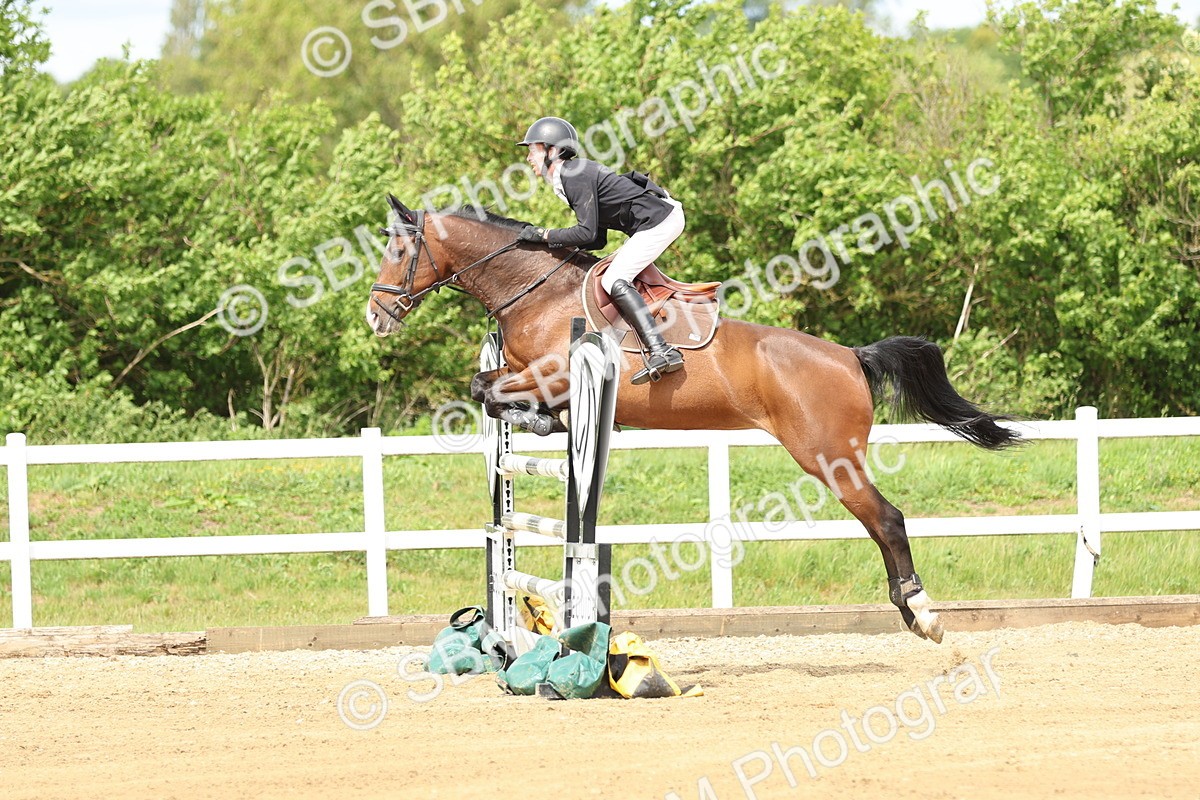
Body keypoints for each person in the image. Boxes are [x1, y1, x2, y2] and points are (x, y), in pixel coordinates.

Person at [516, 116, 685, 385]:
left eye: (532, 150)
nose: (528, 158)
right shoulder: (570, 175)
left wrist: (544, 235)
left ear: (552, 150)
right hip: (654, 221)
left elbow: (586, 233)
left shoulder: (574, 175)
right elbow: (597, 239)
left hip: (660, 221)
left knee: (614, 279)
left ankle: (661, 350)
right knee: (608, 273)